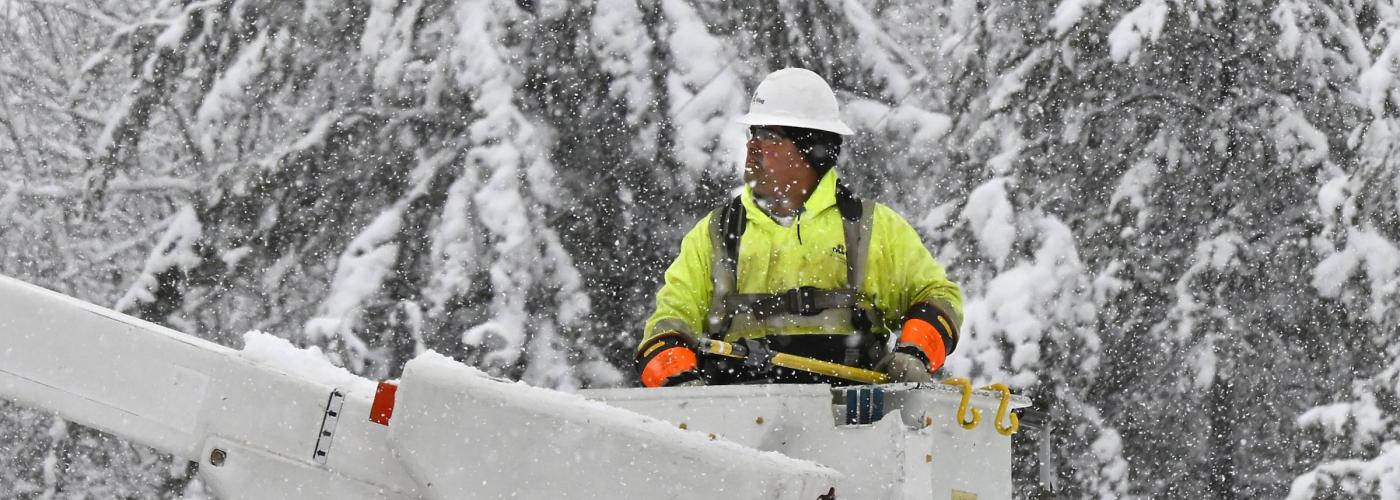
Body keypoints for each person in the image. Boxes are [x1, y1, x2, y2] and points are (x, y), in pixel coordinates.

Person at [636, 68, 963, 387]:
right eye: (753, 134)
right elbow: (666, 329)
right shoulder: (715, 235)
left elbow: (937, 298)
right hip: (737, 428)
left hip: (855, 426)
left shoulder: (873, 230)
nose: (753, 147)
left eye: (769, 137)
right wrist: (679, 382)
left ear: (812, 148)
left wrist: (914, 352)